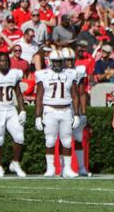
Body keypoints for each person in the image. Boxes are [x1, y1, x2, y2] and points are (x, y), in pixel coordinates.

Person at [34, 50, 80, 178]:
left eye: (60, 61)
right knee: (50, 140)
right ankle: (51, 168)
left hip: (66, 110)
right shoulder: (43, 74)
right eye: (56, 61)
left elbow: (75, 96)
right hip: (50, 110)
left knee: (66, 141)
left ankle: (67, 169)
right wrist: (38, 116)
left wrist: (76, 114)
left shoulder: (71, 74)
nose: (58, 64)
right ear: (50, 61)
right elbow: (39, 97)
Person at [62, 47, 89, 176]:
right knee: (64, 139)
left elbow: (82, 93)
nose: (69, 63)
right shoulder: (57, 74)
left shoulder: (79, 72)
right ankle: (63, 168)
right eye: (66, 60)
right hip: (63, 109)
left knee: (78, 139)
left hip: (75, 109)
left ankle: (81, 167)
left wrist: (83, 112)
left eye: (71, 60)